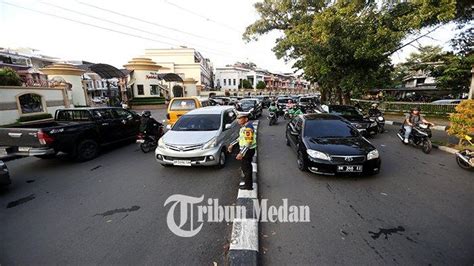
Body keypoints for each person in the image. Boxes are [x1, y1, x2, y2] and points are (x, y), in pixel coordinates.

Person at [228, 113, 257, 190]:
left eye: (240, 118)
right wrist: (231, 144)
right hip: (246, 150)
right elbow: (240, 138)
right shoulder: (244, 127)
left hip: (248, 151)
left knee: (246, 169)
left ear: (246, 119)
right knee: (245, 168)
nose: (238, 120)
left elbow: (248, 142)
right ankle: (247, 184)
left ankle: (248, 186)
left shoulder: (248, 129)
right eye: (237, 118)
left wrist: (241, 153)